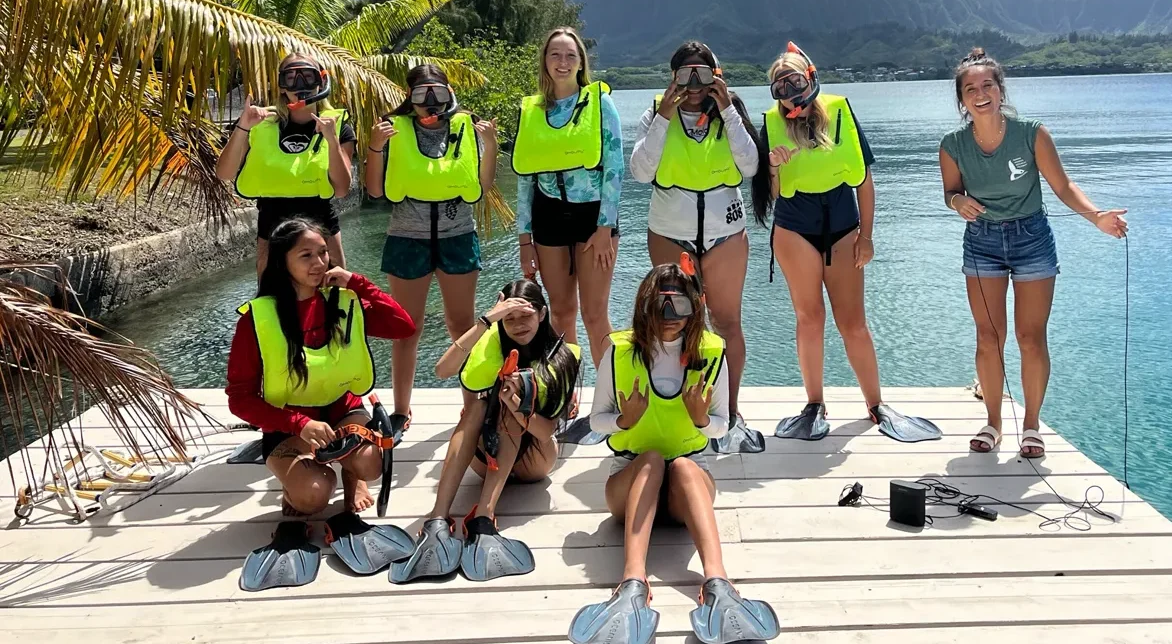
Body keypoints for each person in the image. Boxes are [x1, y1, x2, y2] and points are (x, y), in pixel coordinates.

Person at [567, 263, 779, 644]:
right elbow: (597, 420)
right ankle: (633, 581)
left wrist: (701, 420)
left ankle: (717, 581)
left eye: (678, 307)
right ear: (643, 307)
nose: (668, 318)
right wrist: (623, 420)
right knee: (649, 458)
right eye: (659, 306)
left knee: (681, 465)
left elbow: (722, 424)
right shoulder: (618, 352)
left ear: (695, 308)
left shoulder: (712, 352)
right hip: (631, 483)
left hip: (687, 489)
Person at [939, 48, 1128, 458]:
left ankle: (1031, 426)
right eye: (970, 89)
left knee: (1030, 337)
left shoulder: (1032, 134)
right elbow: (950, 192)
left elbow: (1062, 186)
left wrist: (1096, 216)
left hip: (1032, 240)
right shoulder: (952, 144)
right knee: (989, 338)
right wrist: (957, 203)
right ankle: (992, 423)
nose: (980, 93)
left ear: (1000, 90)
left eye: (987, 85)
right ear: (962, 99)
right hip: (982, 243)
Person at [750, 42, 941, 444]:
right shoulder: (770, 123)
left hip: (843, 227)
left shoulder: (840, 111)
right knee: (809, 317)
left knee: (853, 322)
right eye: (779, 88)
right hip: (794, 228)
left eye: (794, 82)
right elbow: (773, 193)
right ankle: (813, 405)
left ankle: (876, 405)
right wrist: (772, 165)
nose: (788, 94)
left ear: (811, 78)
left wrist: (866, 237)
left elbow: (864, 180)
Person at [226, 217, 417, 590]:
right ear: (283, 263)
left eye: (324, 253)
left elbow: (403, 326)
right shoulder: (257, 319)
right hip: (291, 426)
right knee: (313, 496)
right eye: (307, 256)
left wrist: (357, 283)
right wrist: (298, 424)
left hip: (345, 412)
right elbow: (240, 398)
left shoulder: (343, 301)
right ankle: (300, 479)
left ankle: (353, 477)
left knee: (370, 463)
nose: (319, 263)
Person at [390, 279, 581, 584]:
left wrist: (518, 405)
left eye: (526, 316)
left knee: (507, 406)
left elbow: (545, 432)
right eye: (509, 319)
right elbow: (442, 370)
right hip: (489, 456)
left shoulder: (562, 356)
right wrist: (486, 320)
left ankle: (484, 516)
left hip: (535, 459)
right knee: (476, 406)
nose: (518, 325)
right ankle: (438, 518)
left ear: (542, 315)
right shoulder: (490, 339)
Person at [628, 41, 763, 454]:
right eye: (685, 74)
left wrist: (726, 110)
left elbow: (750, 166)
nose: (693, 83)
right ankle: (677, 411)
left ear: (716, 76)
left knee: (727, 323)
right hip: (671, 231)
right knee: (673, 322)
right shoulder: (656, 113)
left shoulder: (729, 112)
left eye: (702, 74)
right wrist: (665, 116)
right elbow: (639, 170)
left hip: (725, 233)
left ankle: (730, 413)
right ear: (672, 78)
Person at [363, 63, 498, 435]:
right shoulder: (393, 130)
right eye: (422, 94)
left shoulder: (466, 128)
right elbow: (374, 190)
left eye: (437, 92)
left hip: (457, 234)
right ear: (411, 96)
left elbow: (482, 187)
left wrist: (490, 145)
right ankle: (401, 411)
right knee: (408, 327)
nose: (431, 102)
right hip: (408, 237)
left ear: (448, 91)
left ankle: (473, 407)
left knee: (462, 324)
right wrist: (375, 146)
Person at [511, 27, 622, 443]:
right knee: (560, 314)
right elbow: (523, 178)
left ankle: (611, 403)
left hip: (593, 216)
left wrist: (605, 227)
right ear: (545, 61)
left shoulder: (600, 103)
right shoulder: (532, 110)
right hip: (548, 216)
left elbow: (614, 166)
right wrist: (524, 239)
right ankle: (567, 400)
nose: (562, 61)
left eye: (570, 54)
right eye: (554, 54)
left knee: (595, 314)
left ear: (580, 61)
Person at [216, 53, 357, 277]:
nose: (300, 85)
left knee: (332, 298)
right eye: (292, 78)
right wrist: (243, 127)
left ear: (321, 82)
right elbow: (224, 173)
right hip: (273, 225)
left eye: (307, 77)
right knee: (273, 302)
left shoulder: (337, 127)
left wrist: (332, 141)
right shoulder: (260, 123)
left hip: (320, 223)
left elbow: (341, 189)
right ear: (282, 86)